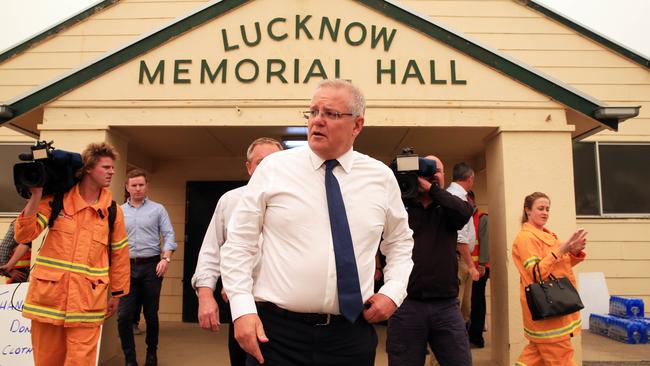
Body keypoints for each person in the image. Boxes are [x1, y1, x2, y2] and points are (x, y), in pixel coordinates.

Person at [221, 79, 414, 366]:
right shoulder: (274, 169)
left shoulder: (380, 178)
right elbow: (239, 243)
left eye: (331, 114)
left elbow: (399, 241)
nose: (317, 121)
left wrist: (393, 291)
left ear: (357, 125)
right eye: (312, 112)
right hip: (276, 336)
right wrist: (242, 309)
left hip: (350, 336)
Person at [13, 142, 131, 365]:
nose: (112, 172)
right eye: (106, 167)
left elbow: (120, 255)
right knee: (47, 361)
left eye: (112, 168)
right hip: (48, 301)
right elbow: (24, 235)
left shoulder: (113, 212)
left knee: (81, 362)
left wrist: (117, 294)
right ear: (88, 168)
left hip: (87, 303)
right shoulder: (56, 201)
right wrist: (36, 195)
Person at [192, 137, 283, 366]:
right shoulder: (230, 201)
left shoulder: (298, 202)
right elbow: (211, 251)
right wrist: (205, 295)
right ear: (249, 167)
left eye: (275, 161)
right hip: (243, 304)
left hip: (285, 309)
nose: (268, 168)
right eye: (261, 162)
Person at [387, 155, 474, 366]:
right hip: (406, 305)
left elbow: (464, 213)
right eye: (428, 170)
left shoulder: (449, 208)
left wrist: (433, 190)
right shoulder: (400, 207)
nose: (434, 175)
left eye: (439, 171)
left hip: (445, 307)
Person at [512, 192, 587, 365]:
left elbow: (560, 266)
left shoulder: (548, 235)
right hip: (547, 306)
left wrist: (573, 251)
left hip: (554, 305)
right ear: (528, 211)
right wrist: (562, 249)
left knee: (534, 357)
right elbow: (537, 273)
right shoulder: (526, 238)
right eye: (540, 208)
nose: (545, 212)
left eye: (547, 209)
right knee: (562, 358)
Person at [118, 168, 177, 366]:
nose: (137, 189)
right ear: (127, 187)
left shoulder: (158, 209)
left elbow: (169, 236)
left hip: (152, 266)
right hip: (126, 267)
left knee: (150, 314)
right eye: (133, 185)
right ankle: (130, 359)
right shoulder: (119, 212)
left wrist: (165, 259)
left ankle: (152, 353)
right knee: (124, 316)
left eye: (141, 185)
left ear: (147, 186)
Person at [446, 162, 479, 324]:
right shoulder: (457, 198)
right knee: (456, 310)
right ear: (470, 178)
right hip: (459, 260)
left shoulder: (452, 195)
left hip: (460, 259)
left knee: (463, 310)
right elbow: (460, 238)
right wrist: (470, 265)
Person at [467, 190, 489, 348]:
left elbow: (485, 242)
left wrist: (481, 264)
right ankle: (469, 334)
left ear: (471, 199)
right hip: (467, 269)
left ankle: (476, 337)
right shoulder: (464, 216)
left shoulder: (481, 218)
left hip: (479, 269)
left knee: (477, 302)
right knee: (467, 303)